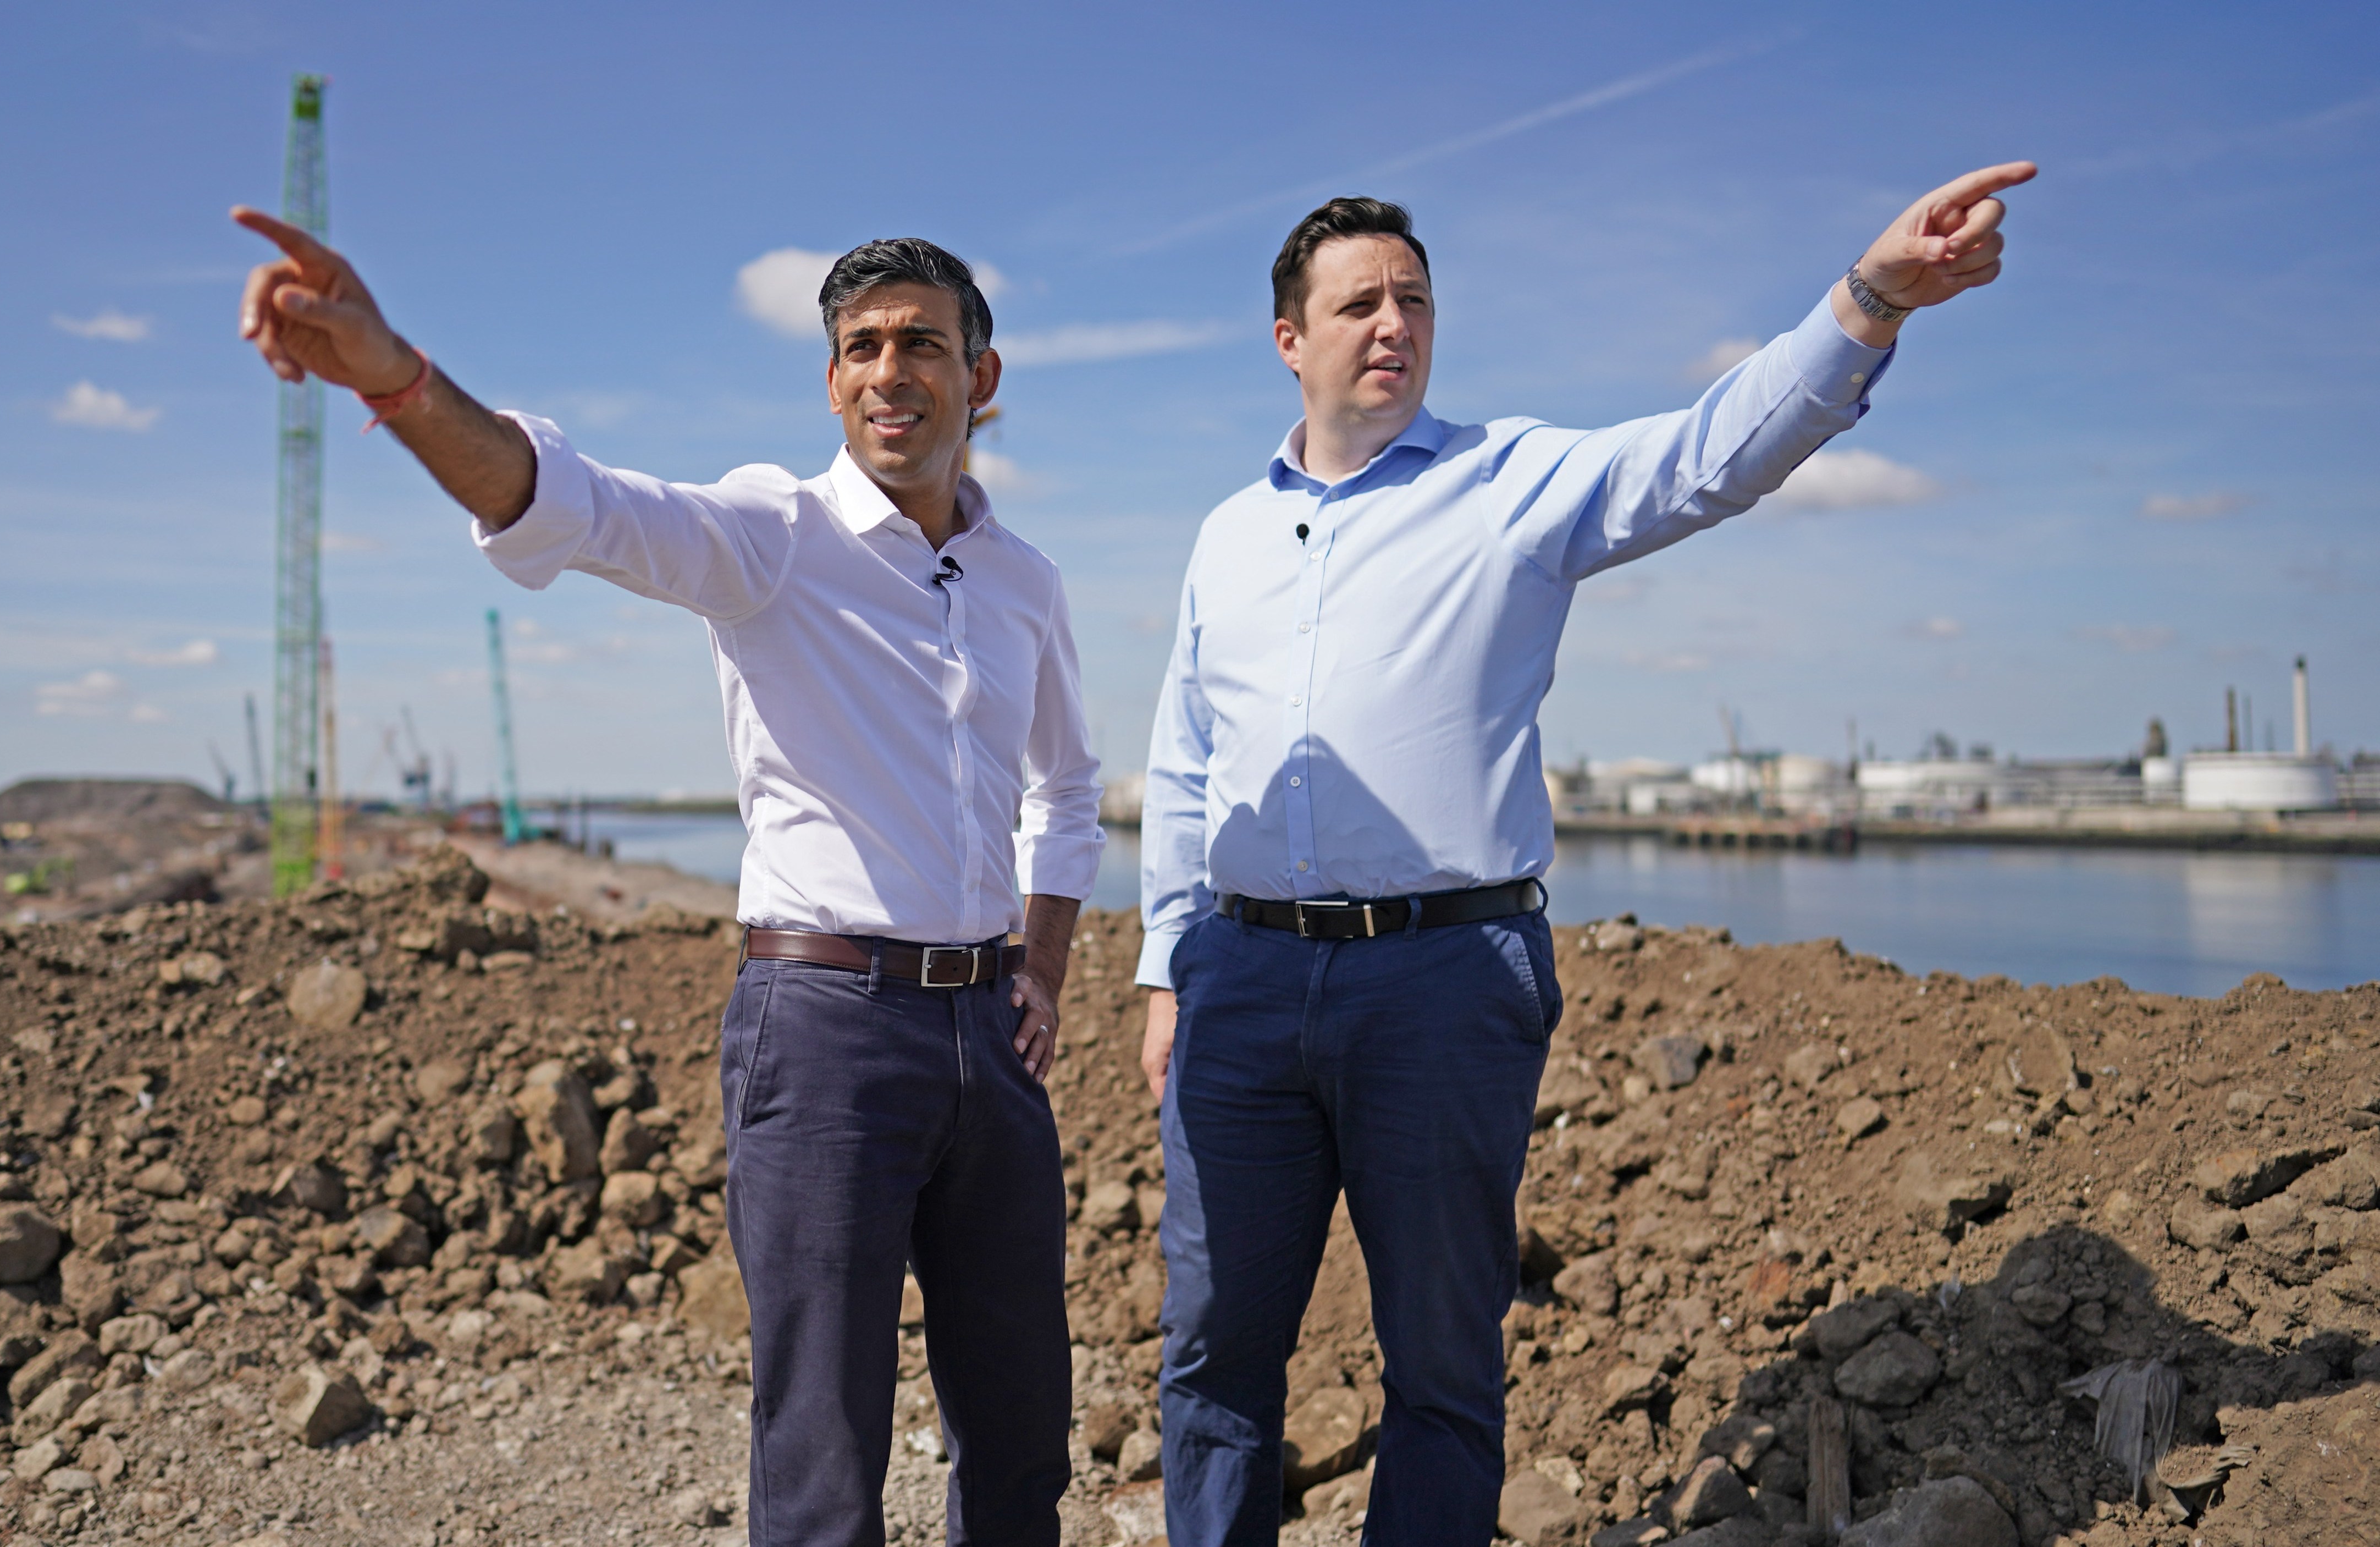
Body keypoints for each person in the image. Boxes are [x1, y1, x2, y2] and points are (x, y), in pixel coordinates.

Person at [1134, 164, 2035, 1544]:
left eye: (1415, 301)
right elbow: (1186, 759)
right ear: (1289, 340)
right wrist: (1161, 963)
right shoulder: (1228, 534)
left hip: (1438, 982)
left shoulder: (1511, 481)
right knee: (1210, 1351)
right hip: (1240, 983)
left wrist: (1865, 304)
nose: (1394, 324)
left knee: (1440, 1363)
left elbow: (1704, 456)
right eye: (1360, 302)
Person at [232, 212, 1102, 1547]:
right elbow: (571, 504)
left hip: (990, 1035)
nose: (889, 372)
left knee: (1023, 1433)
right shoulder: (773, 534)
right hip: (826, 1033)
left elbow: (1065, 790)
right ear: (829, 381)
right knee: (822, 1450)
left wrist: (1040, 963)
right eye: (860, 348)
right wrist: (397, 379)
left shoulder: (1024, 584)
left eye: (921, 344)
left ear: (980, 378)